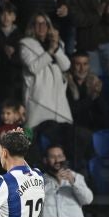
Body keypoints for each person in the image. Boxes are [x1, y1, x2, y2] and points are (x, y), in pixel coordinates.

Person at [20, 12, 72, 146]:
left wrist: (55, 48)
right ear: (32, 27)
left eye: (44, 23)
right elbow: (33, 67)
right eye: (37, 23)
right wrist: (49, 52)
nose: (41, 26)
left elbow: (66, 65)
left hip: (57, 99)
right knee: (30, 136)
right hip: (38, 98)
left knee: (61, 136)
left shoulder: (57, 44)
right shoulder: (25, 44)